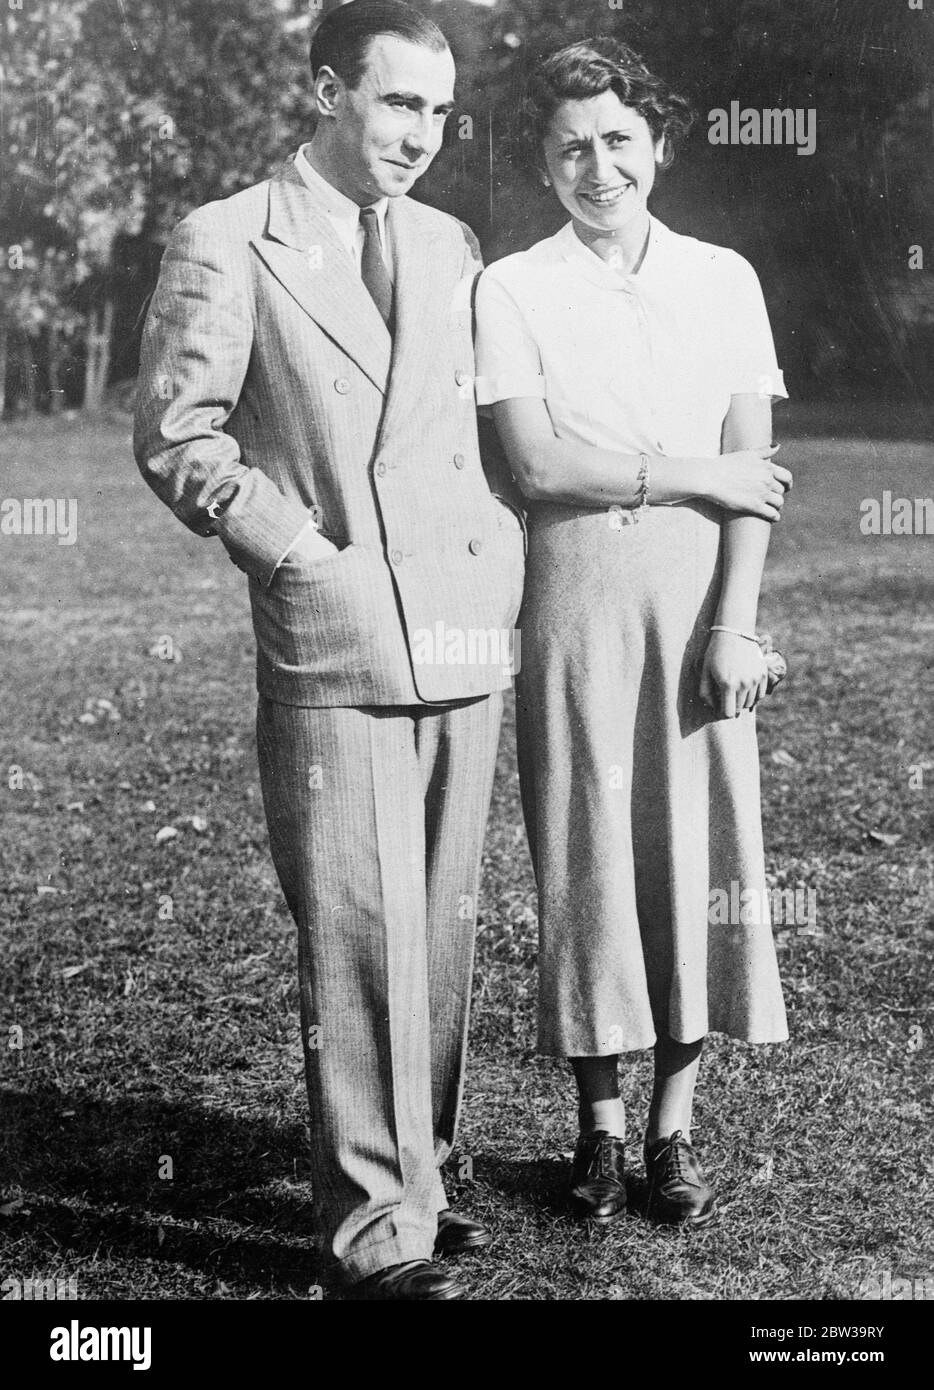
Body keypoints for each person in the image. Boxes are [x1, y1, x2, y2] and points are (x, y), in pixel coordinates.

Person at [134, 0, 524, 1300]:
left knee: (443, 926)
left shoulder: (451, 239)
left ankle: (423, 1171)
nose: (421, 133)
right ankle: (373, 1237)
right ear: (323, 88)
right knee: (357, 930)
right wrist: (299, 552)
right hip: (336, 633)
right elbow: (177, 431)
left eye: (438, 110)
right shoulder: (227, 237)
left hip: (465, 633)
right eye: (397, 101)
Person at [475, 36, 791, 1230]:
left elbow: (751, 474)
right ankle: (597, 1135)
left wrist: (737, 624)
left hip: (697, 597)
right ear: (543, 163)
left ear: (657, 141)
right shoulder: (511, 286)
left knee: (697, 854)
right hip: (572, 594)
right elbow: (539, 460)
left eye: (617, 139)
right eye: (568, 147)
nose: (596, 166)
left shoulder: (723, 276)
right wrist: (687, 469)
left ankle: (672, 1132)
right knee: (588, 850)